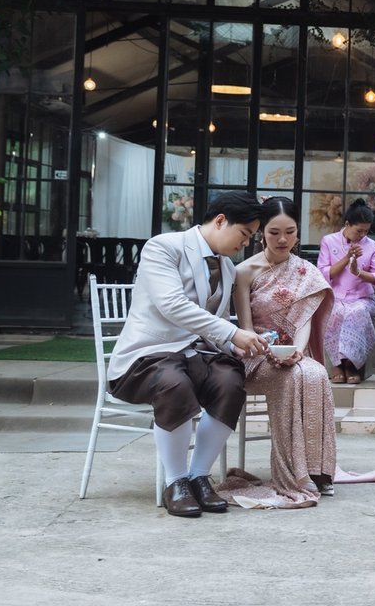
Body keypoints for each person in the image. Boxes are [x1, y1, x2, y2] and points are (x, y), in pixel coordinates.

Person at [106, 190, 268, 518]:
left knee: (229, 380)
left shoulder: (226, 269)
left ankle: (199, 476)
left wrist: (238, 345)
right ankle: (175, 481)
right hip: (147, 355)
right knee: (173, 382)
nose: (246, 244)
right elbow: (172, 305)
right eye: (245, 234)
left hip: (193, 356)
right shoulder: (163, 247)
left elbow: (215, 325)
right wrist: (232, 332)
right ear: (221, 221)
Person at [219, 196, 339, 507]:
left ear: (299, 233)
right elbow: (244, 327)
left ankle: (320, 470)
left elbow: (304, 323)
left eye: (290, 231)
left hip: (293, 355)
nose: (282, 239)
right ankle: (293, 474)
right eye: (274, 232)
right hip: (256, 357)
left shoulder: (306, 271)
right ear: (262, 232)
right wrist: (264, 350)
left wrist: (298, 351)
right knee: (291, 379)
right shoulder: (243, 271)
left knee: (313, 372)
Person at [318, 199, 375, 384]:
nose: (362, 235)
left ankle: (352, 364)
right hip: (335, 297)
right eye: (359, 230)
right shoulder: (328, 241)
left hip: (362, 298)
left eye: (366, 231)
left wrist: (359, 272)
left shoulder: (371, 245)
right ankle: (338, 363)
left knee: (356, 313)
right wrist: (347, 258)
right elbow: (323, 274)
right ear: (347, 224)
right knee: (337, 312)